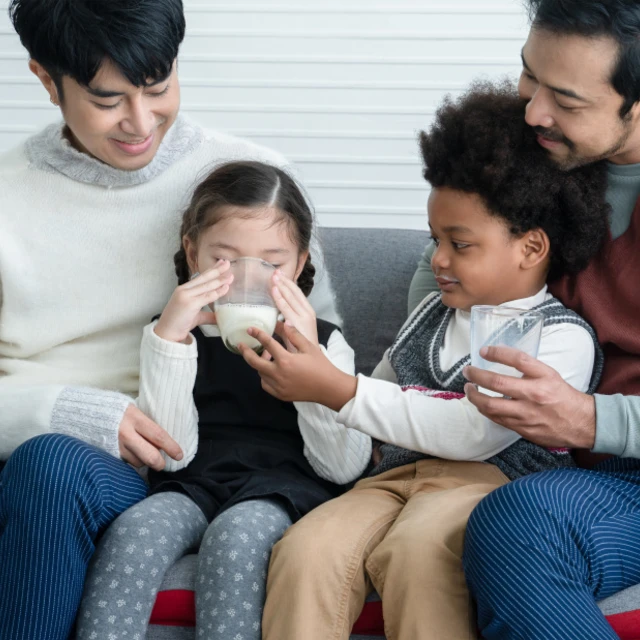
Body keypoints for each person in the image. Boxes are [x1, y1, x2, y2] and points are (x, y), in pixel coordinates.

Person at [0, 1, 339, 638]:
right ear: (46, 80)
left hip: (185, 459)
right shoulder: (6, 197)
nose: (140, 122)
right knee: (50, 462)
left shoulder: (250, 185)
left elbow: (321, 352)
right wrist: (64, 411)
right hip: (55, 457)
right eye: (108, 100)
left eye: (157, 88)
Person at [238, 84, 610, 640]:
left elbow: (473, 435)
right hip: (389, 480)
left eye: (460, 245)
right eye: (435, 239)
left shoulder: (561, 338)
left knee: (419, 554)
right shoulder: (431, 313)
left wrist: (338, 389)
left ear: (531, 248)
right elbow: (378, 394)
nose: (436, 259)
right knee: (305, 549)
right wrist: (317, 378)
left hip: (486, 487)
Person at [408, 1, 640, 638]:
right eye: (528, 76)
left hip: (622, 472)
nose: (535, 110)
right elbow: (444, 255)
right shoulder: (535, 146)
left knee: (520, 526)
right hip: (546, 466)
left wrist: (589, 418)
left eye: (566, 99)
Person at [75, 161, 371, 640]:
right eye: (224, 260)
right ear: (193, 253)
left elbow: (341, 468)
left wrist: (311, 359)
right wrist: (171, 339)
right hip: (193, 481)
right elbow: (172, 457)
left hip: (284, 486)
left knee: (236, 538)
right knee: (135, 531)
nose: (245, 279)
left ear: (297, 265)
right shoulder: (173, 332)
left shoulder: (326, 343)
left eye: (271, 264)